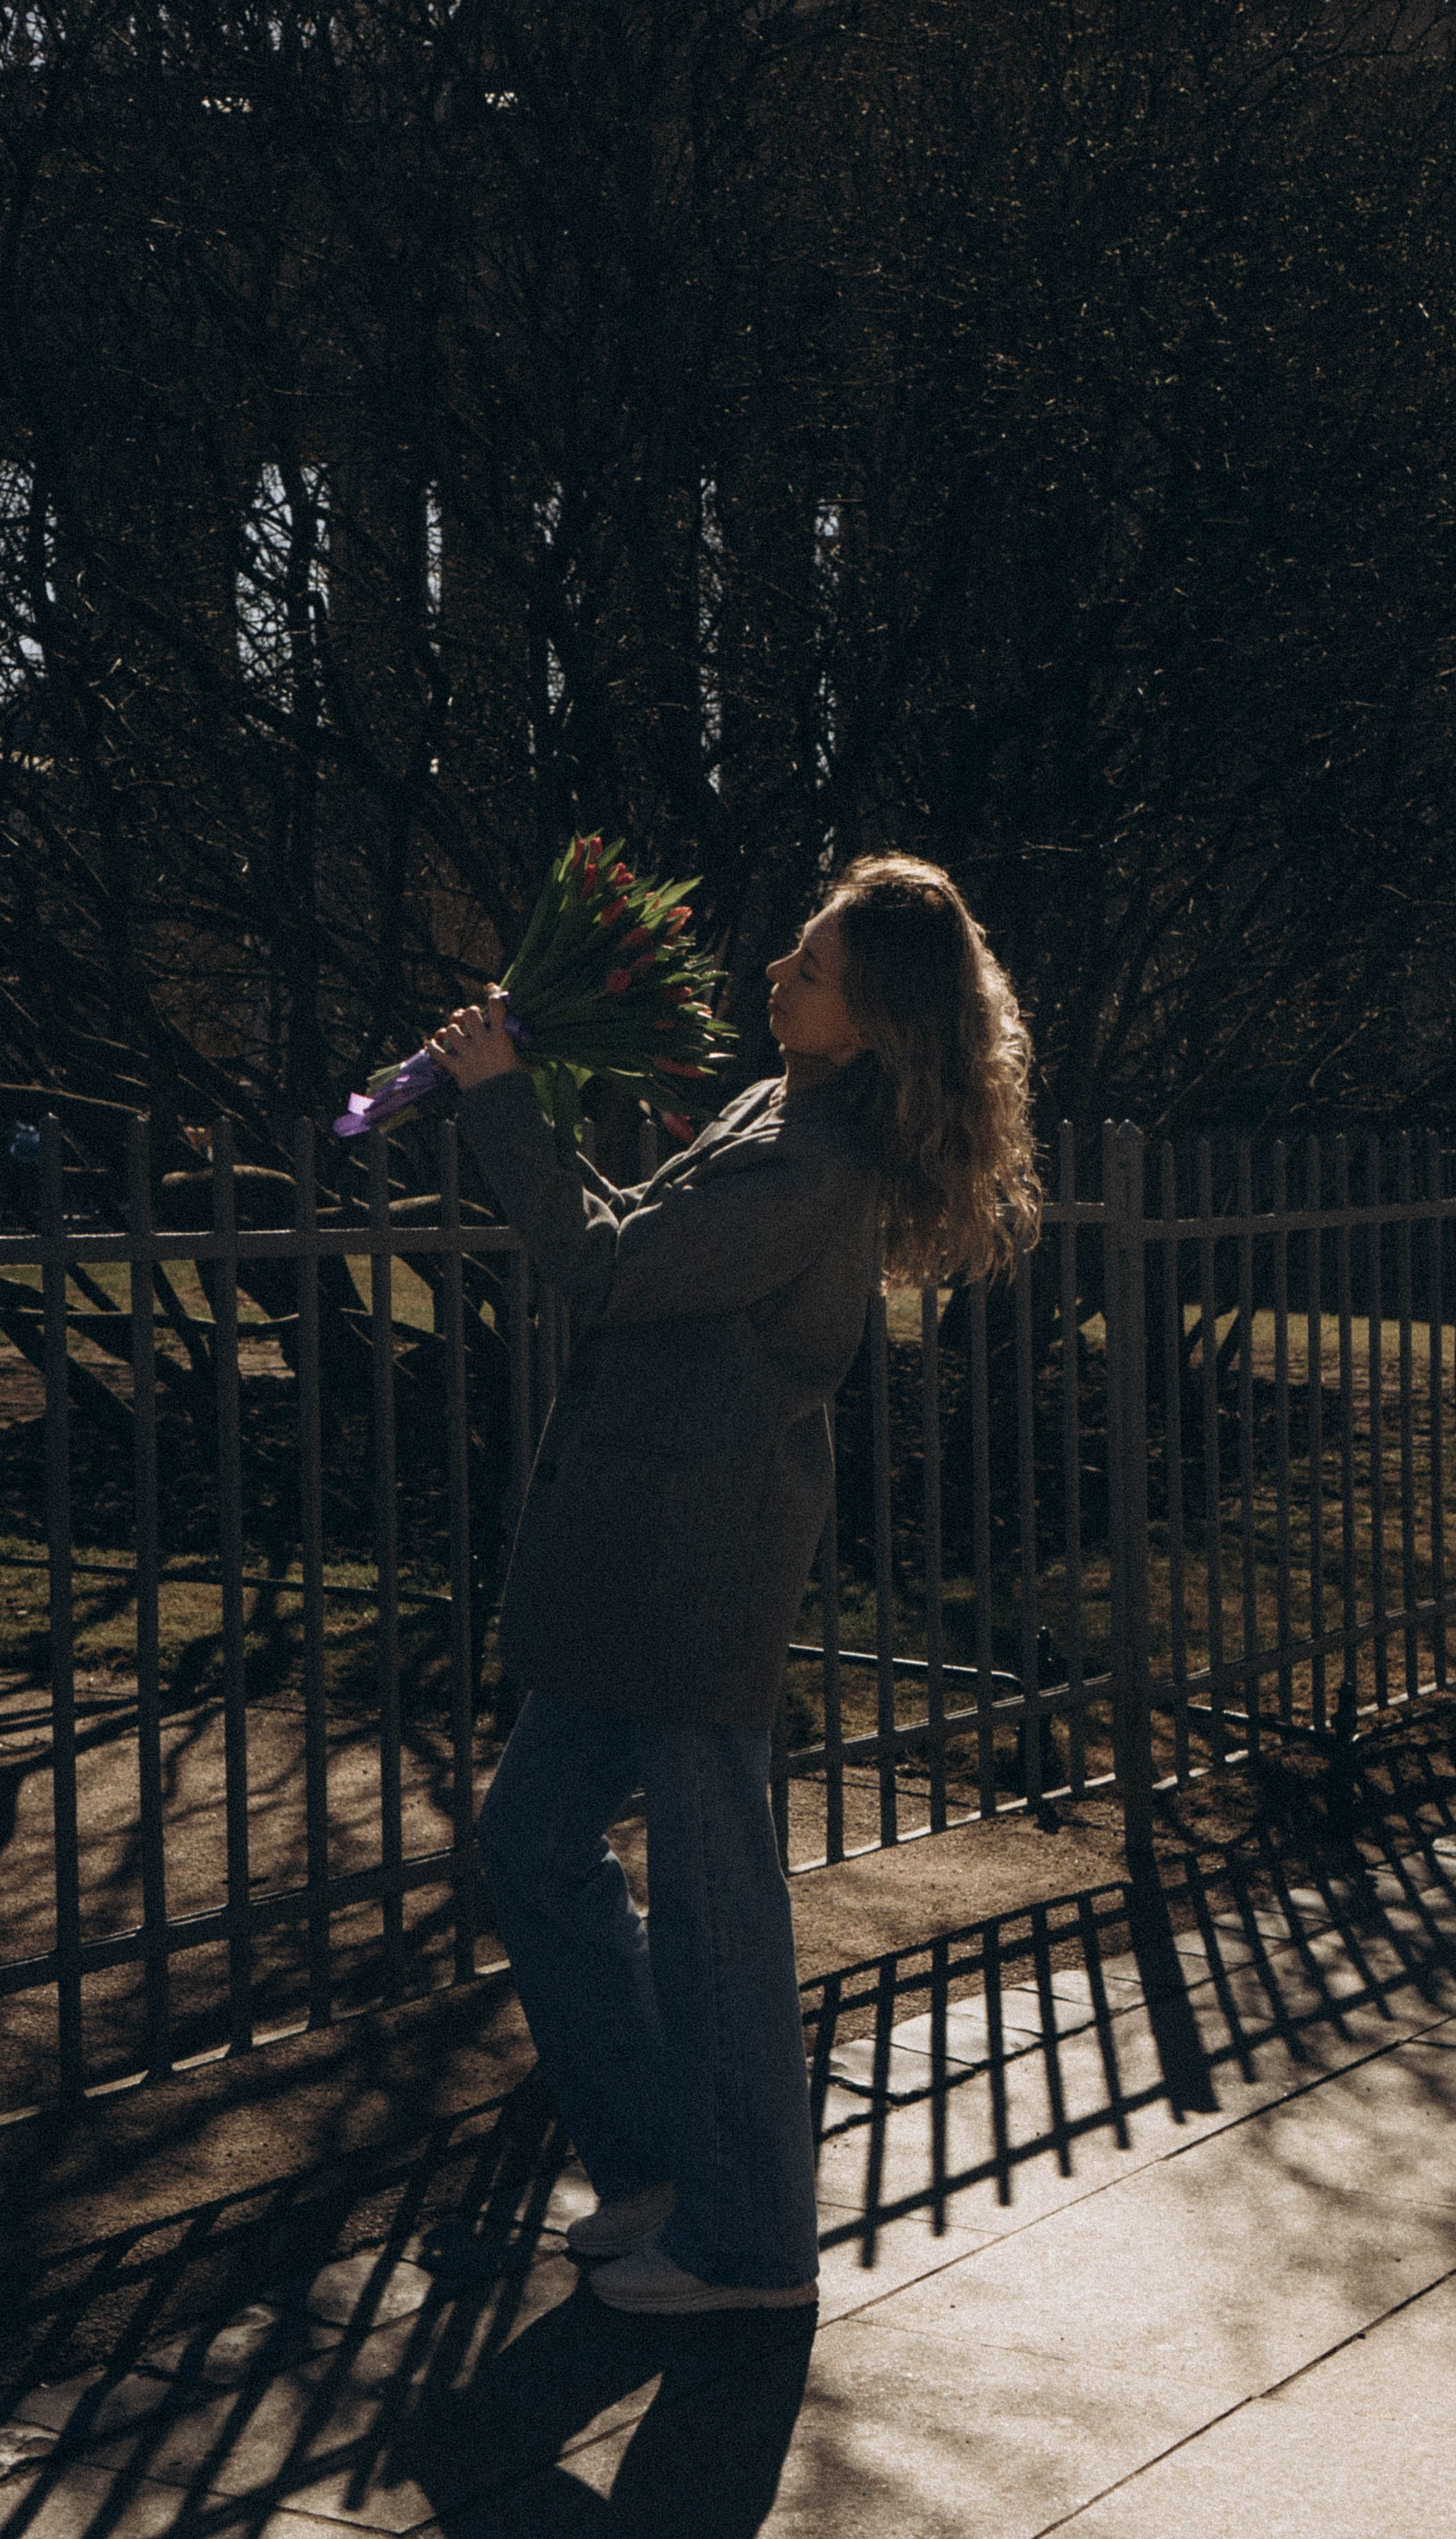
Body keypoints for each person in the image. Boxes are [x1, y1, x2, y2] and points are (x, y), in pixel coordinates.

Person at [428, 854, 1039, 2315]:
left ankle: (750, 2241)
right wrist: (552, 1081)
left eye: (808, 968)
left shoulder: (812, 1165)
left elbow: (609, 1270)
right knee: (532, 1845)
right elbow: (646, 1238)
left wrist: (500, 1097)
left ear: (875, 1020)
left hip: (693, 1557)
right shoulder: (781, 1113)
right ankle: (656, 2165)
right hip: (635, 1540)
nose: (775, 976)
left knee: (715, 1910)